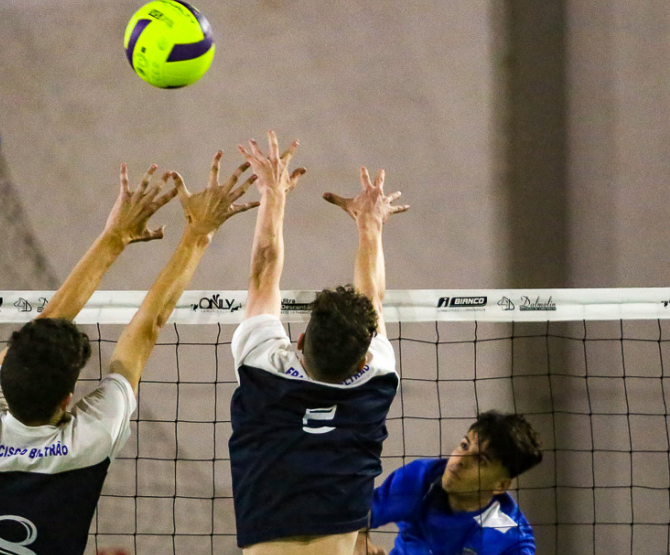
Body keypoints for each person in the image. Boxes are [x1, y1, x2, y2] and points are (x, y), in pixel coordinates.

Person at [0, 156, 258, 555]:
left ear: (3, 385)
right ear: (66, 399)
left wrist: (124, 237)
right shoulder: (86, 441)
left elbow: (135, 329)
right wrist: (192, 230)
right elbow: (142, 327)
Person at [229, 131, 409, 554]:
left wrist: (273, 193)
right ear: (362, 359)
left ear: (301, 338)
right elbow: (372, 297)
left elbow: (263, 272)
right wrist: (370, 226)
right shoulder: (376, 381)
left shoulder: (263, 369)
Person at [356, 411, 544, 555]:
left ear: (500, 485)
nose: (460, 460)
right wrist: (360, 540)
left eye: (480, 460)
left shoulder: (512, 538)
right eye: (464, 446)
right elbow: (353, 515)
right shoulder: (421, 478)